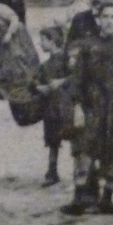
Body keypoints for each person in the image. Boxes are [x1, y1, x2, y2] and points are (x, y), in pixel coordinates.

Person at [63, 2, 113, 218]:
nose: (109, 21)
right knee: (85, 151)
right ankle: (79, 198)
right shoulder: (87, 47)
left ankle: (107, 198)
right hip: (92, 107)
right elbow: (77, 79)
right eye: (105, 16)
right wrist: (77, 107)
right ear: (98, 20)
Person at [34, 23, 73, 186]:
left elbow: (77, 76)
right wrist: (39, 87)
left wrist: (61, 82)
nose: (40, 44)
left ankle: (83, 170)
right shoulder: (45, 65)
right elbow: (37, 81)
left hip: (67, 104)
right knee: (52, 139)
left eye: (42, 40)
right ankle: (52, 170)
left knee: (72, 136)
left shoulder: (67, 60)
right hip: (52, 107)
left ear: (52, 41)